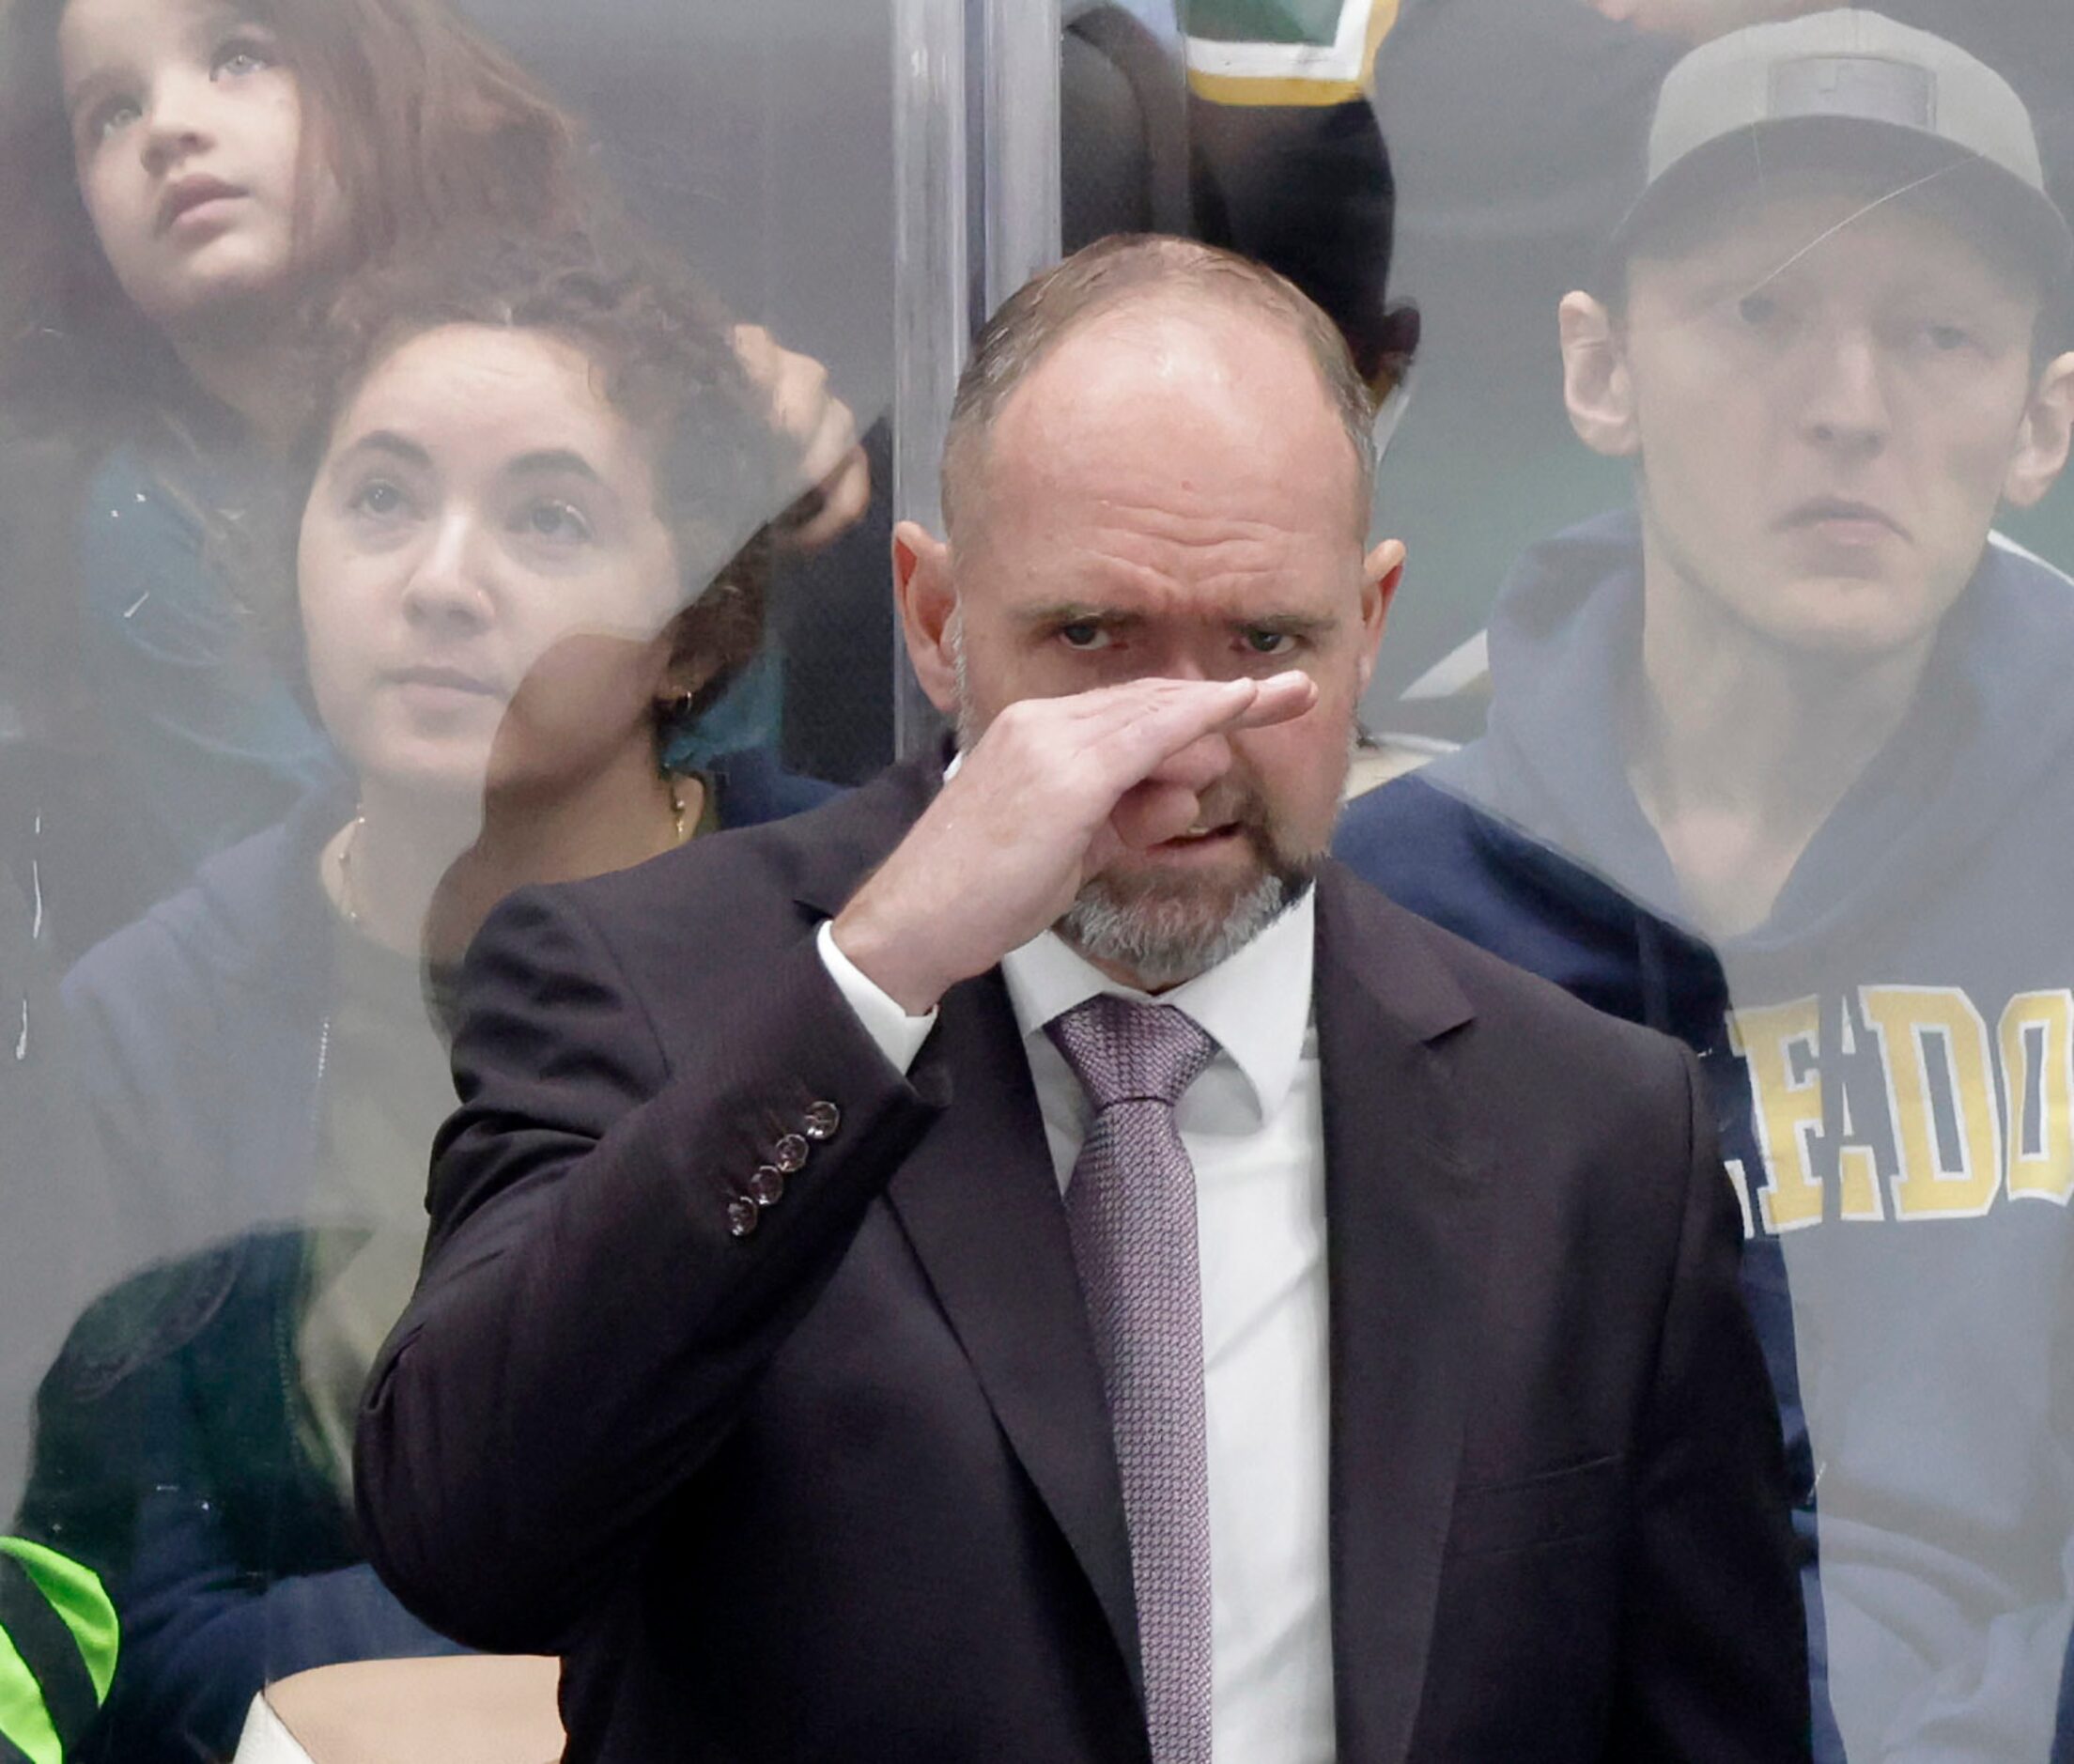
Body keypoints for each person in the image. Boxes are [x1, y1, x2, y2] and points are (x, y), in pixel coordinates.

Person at [353, 234, 1806, 1762]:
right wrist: (878, 977)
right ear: (931, 618)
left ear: (1369, 623)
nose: (1177, 740)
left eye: (1263, 646)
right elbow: (468, 1529)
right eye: (1091, 639)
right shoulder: (649, 990)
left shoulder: (1588, 1131)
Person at [1337, 13, 2074, 1759]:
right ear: (1600, 372)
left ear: (2042, 419)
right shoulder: (1389, 911)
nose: (1845, 406)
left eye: (1937, 333)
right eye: (1758, 313)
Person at [19, 227, 833, 1763]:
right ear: (296, 552)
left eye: (547, 517)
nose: (442, 582)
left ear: (695, 623)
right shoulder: (152, 1019)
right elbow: (131, 1616)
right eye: (382, 496)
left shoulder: (865, 938)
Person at [0, 0, 865, 952]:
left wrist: (748, 439)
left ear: (379, 74)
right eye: (111, 113)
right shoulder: (148, 510)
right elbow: (303, 927)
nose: (169, 127)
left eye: (241, 57)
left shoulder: (639, 372)